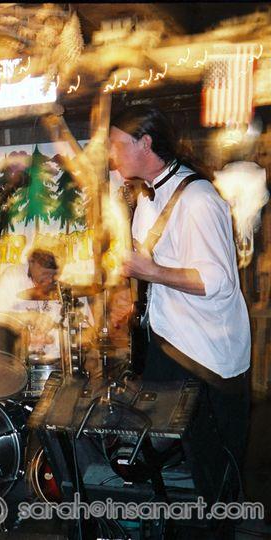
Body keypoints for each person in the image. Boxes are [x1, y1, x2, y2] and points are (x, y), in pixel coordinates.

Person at [109, 105, 251, 477]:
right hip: (168, 342)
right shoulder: (146, 198)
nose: (111, 154)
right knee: (157, 463)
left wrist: (153, 272)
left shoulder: (197, 199)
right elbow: (155, 269)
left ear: (145, 143)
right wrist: (132, 298)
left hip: (205, 357)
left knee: (214, 472)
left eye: (117, 145)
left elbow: (218, 281)